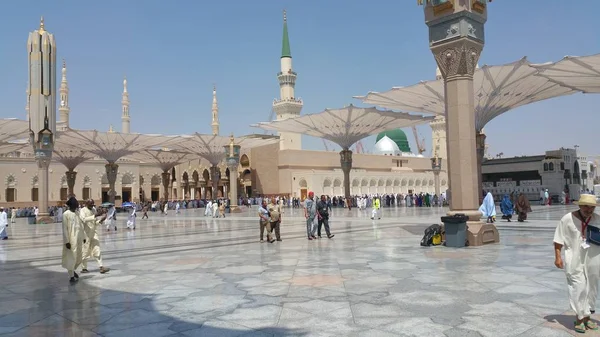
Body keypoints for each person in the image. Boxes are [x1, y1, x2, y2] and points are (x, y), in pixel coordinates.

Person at [553, 194, 600, 333]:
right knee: (578, 287)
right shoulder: (567, 219)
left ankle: (587, 317)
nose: (589, 209)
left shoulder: (597, 219)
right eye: (586, 206)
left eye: (591, 207)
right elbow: (558, 239)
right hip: (574, 259)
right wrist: (558, 257)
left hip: (593, 259)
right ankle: (579, 318)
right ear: (579, 205)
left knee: (591, 288)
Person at [80, 199, 109, 274]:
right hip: (85, 234)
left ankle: (101, 266)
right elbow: (83, 220)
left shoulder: (93, 210)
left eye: (93, 205)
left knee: (97, 249)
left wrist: (101, 220)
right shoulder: (82, 210)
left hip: (93, 233)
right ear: (86, 204)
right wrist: (96, 215)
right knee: (85, 251)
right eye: (90, 205)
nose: (92, 206)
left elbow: (94, 222)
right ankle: (84, 268)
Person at [62, 197, 86, 284]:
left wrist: (83, 237)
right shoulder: (66, 214)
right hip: (71, 239)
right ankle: (71, 275)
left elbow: (81, 226)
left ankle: (72, 270)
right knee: (71, 257)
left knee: (79, 257)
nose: (76, 205)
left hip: (79, 238)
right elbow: (64, 228)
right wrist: (67, 241)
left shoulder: (77, 213)